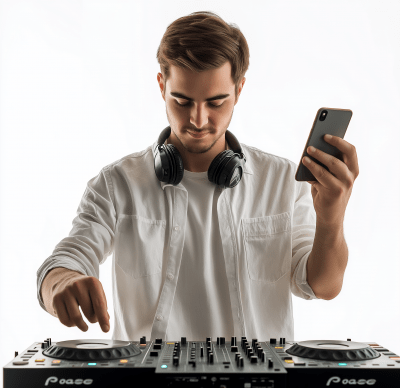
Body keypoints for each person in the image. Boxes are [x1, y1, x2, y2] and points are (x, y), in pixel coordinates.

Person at [37, 11, 359, 342]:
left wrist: (331, 220)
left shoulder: (281, 180)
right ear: (162, 86)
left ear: (239, 89)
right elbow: (67, 258)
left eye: (216, 102)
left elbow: (322, 284)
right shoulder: (116, 184)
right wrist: (61, 282)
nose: (198, 119)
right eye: (182, 100)